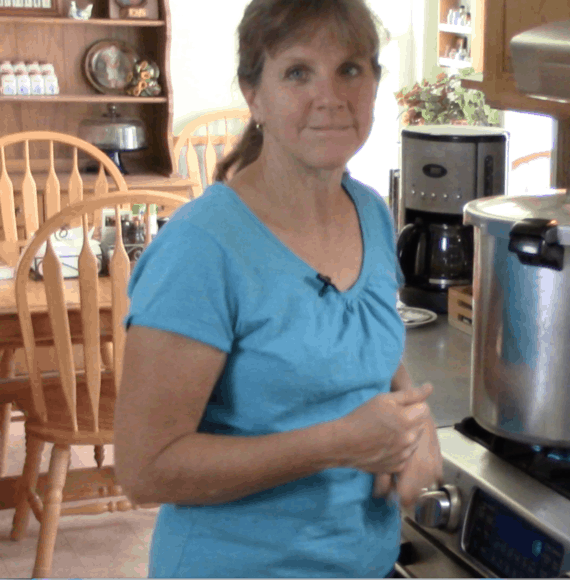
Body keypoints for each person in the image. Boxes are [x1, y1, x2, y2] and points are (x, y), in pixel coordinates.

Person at [112, 0, 443, 577]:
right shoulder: (203, 248)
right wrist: (338, 443)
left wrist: (416, 434)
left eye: (351, 69)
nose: (331, 97)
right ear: (253, 94)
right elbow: (145, 470)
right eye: (297, 72)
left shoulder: (370, 212)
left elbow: (374, 357)